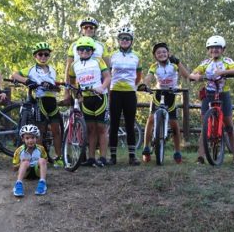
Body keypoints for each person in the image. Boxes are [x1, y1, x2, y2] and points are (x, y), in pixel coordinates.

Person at [188, 35, 234, 164]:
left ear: (223, 49)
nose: (214, 50)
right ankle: (200, 157)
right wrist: (196, 76)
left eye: (217, 48)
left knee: (229, 126)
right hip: (209, 95)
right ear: (208, 50)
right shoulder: (205, 63)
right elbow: (193, 73)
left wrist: (223, 73)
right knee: (205, 126)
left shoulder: (227, 61)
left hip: (223, 95)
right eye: (212, 48)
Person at [11, 42, 64, 168]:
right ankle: (40, 158)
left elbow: (57, 89)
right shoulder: (30, 69)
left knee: (57, 131)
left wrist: (54, 87)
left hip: (52, 102)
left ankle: (58, 157)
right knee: (40, 131)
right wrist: (27, 81)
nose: (43, 57)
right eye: (40, 54)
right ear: (35, 56)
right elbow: (14, 75)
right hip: (40, 101)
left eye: (46, 54)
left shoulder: (52, 69)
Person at [141, 43, 190, 164]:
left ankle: (177, 151)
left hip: (171, 95)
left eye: (164, 52)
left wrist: (178, 62)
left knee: (174, 124)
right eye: (158, 53)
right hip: (158, 94)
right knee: (151, 119)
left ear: (168, 53)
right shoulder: (154, 66)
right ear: (155, 56)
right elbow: (149, 77)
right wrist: (145, 85)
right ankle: (146, 147)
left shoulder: (174, 65)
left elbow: (186, 76)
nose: (161, 54)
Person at [67, 36, 111, 167]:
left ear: (92, 50)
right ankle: (91, 158)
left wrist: (102, 88)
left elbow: (108, 77)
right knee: (91, 129)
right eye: (81, 49)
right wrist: (76, 94)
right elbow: (72, 82)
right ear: (77, 51)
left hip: (99, 97)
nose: (84, 51)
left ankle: (102, 158)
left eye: (87, 49)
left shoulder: (98, 60)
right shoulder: (74, 65)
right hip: (86, 99)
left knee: (101, 128)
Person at [108, 26, 142, 165]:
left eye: (127, 38)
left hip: (129, 93)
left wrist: (131, 86)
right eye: (122, 38)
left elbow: (138, 76)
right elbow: (108, 74)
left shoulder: (136, 56)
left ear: (131, 41)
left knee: (130, 124)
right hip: (115, 92)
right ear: (118, 40)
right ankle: (113, 157)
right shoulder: (112, 56)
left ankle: (132, 156)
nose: (124, 40)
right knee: (114, 124)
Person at [12, 124, 48, 197]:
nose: (30, 140)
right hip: (26, 173)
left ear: (36, 138)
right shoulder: (18, 151)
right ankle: (18, 184)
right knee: (25, 162)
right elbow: (14, 168)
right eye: (27, 138)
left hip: (37, 172)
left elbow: (46, 160)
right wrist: (21, 163)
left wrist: (42, 162)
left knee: (42, 160)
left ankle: (42, 183)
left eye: (33, 137)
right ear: (23, 139)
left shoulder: (41, 148)